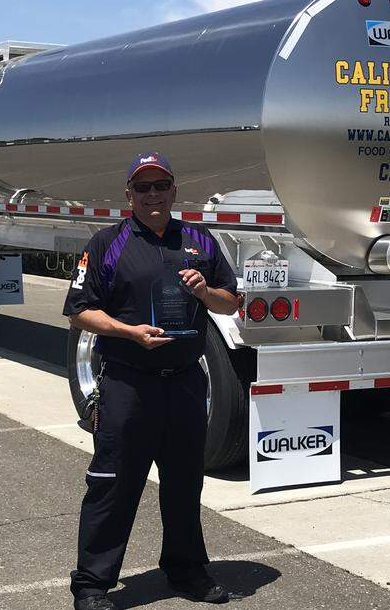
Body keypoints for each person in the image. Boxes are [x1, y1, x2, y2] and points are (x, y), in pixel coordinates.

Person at [63, 151, 239, 609]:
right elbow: (79, 311)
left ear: (174, 191)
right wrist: (129, 332)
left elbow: (230, 302)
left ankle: (186, 570)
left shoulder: (200, 240)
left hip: (185, 383)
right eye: (143, 187)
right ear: (129, 195)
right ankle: (92, 585)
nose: (153, 194)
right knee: (112, 484)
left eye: (161, 185)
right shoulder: (107, 243)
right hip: (128, 385)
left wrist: (205, 291)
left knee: (185, 483)